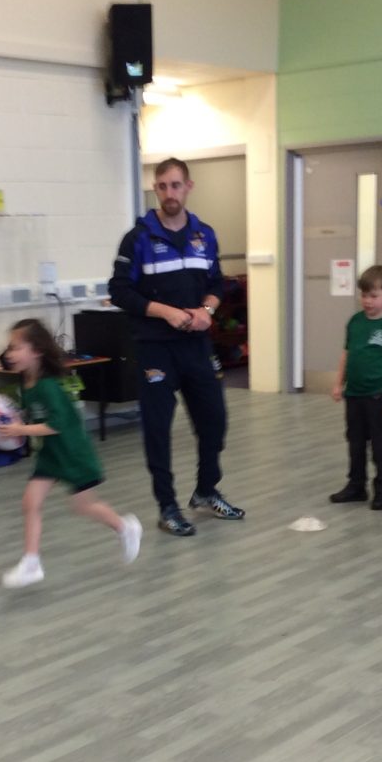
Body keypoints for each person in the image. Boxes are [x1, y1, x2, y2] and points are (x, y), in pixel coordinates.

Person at [108, 157, 244, 537]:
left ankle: (206, 490)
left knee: (214, 419)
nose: (170, 193)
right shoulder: (138, 238)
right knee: (158, 429)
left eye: (176, 185)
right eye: (163, 186)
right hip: (155, 349)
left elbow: (216, 284)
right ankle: (167, 506)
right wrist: (165, 312)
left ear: (188, 187)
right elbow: (119, 291)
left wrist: (207, 311)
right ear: (156, 189)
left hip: (196, 346)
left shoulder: (205, 235)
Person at [0, 319, 141, 588]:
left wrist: (21, 429)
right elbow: (36, 417)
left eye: (16, 348)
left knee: (83, 505)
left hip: (73, 453)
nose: (10, 354)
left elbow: (56, 425)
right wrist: (15, 424)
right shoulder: (26, 382)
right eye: (10, 348)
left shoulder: (48, 386)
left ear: (36, 351)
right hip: (51, 454)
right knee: (30, 503)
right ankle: (31, 563)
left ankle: (125, 527)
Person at [330, 265, 382, 510]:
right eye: (364, 295)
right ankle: (356, 486)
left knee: (380, 445)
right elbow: (346, 354)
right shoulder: (355, 322)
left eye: (374, 296)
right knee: (355, 442)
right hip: (354, 394)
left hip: (378, 396)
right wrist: (338, 383)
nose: (368, 301)